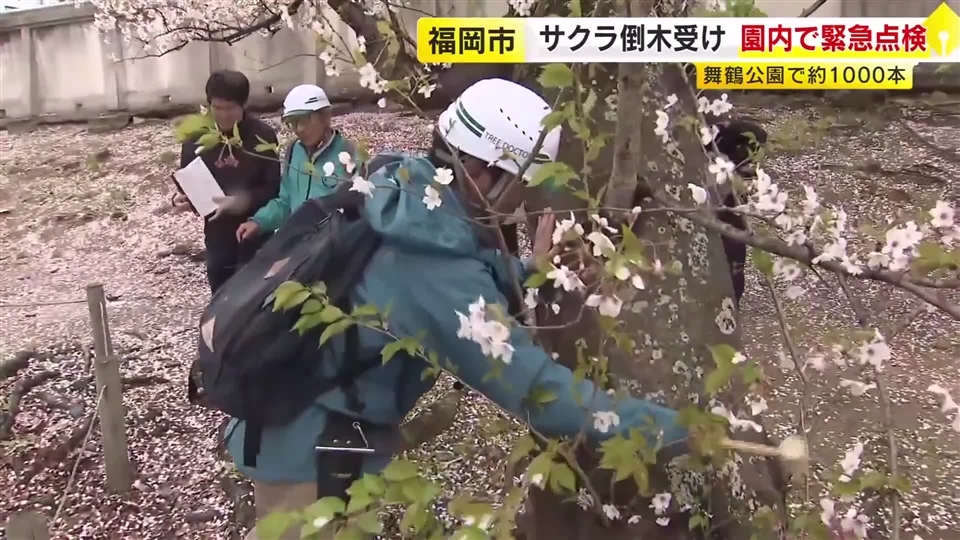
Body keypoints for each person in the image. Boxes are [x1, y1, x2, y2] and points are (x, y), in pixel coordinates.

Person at [224, 78, 689, 540]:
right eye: (521, 182)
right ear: (477, 169)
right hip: (306, 448)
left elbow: (438, 284)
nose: (524, 198)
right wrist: (678, 430)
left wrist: (531, 271)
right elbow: (537, 393)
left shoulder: (405, 185)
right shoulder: (428, 263)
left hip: (309, 424)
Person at [172, 70, 281, 294]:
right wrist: (183, 199)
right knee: (221, 296)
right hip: (218, 235)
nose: (222, 115)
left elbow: (273, 189)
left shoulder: (262, 136)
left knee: (257, 297)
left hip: (256, 230)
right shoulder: (196, 140)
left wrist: (241, 201)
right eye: (216, 108)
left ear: (243, 105)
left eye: (230, 108)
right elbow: (189, 182)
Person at [234, 84, 356, 244]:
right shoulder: (294, 151)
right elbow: (285, 202)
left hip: (330, 246)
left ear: (326, 116)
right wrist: (259, 221)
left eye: (305, 120)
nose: (299, 129)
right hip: (296, 242)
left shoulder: (349, 154)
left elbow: (355, 215)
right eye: (292, 122)